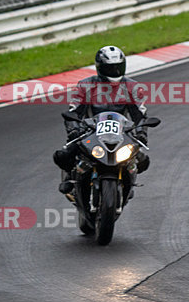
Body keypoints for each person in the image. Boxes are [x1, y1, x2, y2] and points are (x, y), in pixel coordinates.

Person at [53, 45, 150, 194]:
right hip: (90, 130)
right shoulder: (86, 85)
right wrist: (73, 130)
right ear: (100, 67)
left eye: (118, 67)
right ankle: (70, 180)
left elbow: (140, 114)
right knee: (63, 155)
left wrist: (141, 132)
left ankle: (128, 181)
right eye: (111, 68)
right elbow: (74, 111)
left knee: (143, 160)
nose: (115, 72)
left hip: (121, 131)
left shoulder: (132, 87)